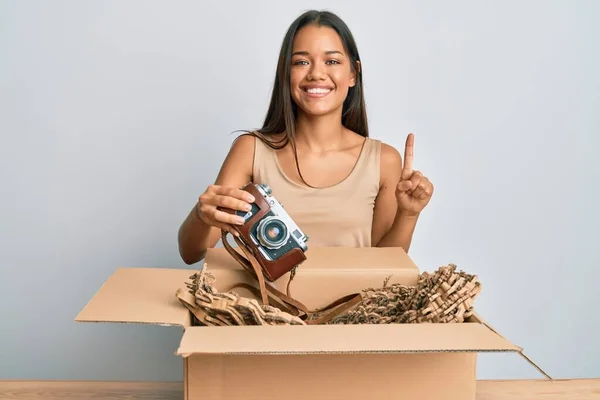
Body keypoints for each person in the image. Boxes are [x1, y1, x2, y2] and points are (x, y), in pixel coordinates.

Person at [178, 9, 434, 265]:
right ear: (286, 73)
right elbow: (191, 253)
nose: (316, 74)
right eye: (301, 62)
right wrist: (201, 216)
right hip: (264, 304)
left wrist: (409, 214)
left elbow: (385, 268)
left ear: (353, 74)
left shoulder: (384, 160)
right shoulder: (251, 150)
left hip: (354, 304)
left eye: (332, 61)